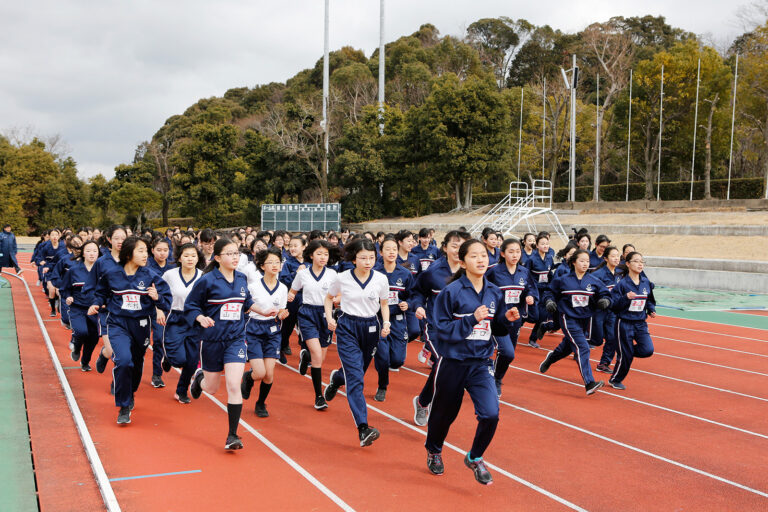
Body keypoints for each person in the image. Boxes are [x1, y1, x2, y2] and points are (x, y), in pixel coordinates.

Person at [424, 239, 520, 484]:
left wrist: (507, 319)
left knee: (490, 414)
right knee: (444, 415)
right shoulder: (451, 292)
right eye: (474, 256)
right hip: (454, 362)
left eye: (484, 256)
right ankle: (434, 450)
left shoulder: (494, 292)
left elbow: (495, 326)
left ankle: (475, 456)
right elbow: (441, 330)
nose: (481, 260)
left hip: (480, 362)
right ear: (462, 261)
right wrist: (471, 320)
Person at [86, 236, 172, 424]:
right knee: (123, 361)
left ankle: (130, 392)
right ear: (128, 253)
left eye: (146, 251)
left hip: (141, 325)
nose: (145, 255)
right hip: (117, 323)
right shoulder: (112, 274)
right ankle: (124, 406)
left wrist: (157, 298)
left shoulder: (150, 276)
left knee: (136, 362)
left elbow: (167, 301)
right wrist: (96, 304)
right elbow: (100, 293)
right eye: (140, 250)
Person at [186, 238, 262, 450]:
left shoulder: (241, 278)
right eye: (229, 254)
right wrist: (200, 318)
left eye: (236, 253)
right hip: (211, 340)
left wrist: (264, 311)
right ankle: (199, 379)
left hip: (235, 340)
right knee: (211, 388)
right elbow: (191, 305)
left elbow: (246, 303)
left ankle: (233, 435)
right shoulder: (207, 280)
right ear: (218, 258)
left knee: (233, 385)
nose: (234, 257)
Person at [322, 238, 390, 447]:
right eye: (363, 258)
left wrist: (386, 322)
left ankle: (337, 378)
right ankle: (363, 428)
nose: (368, 261)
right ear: (353, 259)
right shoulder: (342, 278)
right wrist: (329, 317)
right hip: (348, 328)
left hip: (371, 328)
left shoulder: (380, 279)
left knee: (357, 372)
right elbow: (328, 298)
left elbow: (384, 303)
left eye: (371, 257)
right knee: (357, 380)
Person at [411, 230, 471, 426]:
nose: (458, 250)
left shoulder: (472, 271)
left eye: (462, 246)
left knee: (448, 367)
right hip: (436, 327)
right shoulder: (433, 272)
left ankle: (422, 401)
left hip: (462, 329)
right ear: (444, 247)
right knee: (443, 361)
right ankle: (427, 404)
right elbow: (417, 292)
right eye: (454, 246)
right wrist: (418, 306)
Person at [538, 249, 612, 395]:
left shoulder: (594, 281)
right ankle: (589, 383)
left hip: (585, 319)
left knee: (568, 347)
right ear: (573, 262)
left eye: (587, 261)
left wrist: (605, 301)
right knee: (582, 347)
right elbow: (549, 292)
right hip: (568, 317)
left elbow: (605, 294)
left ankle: (551, 358)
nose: (585, 264)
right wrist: (549, 301)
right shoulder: (563, 280)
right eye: (582, 261)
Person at [289, 239, 338, 410]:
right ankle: (318, 396)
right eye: (319, 254)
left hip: (325, 315)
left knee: (320, 358)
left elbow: (339, 295)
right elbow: (293, 292)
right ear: (311, 255)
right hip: (307, 314)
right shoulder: (303, 274)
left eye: (326, 254)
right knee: (317, 353)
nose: (323, 257)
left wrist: (334, 301)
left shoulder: (333, 274)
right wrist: (286, 301)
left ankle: (306, 357)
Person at [240, 247, 289, 418]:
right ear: (262, 265)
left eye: (278, 262)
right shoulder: (252, 287)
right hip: (254, 330)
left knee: (269, 374)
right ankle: (249, 377)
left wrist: (283, 313)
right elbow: (245, 308)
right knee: (259, 373)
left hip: (273, 331)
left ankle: (260, 403)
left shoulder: (283, 288)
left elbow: (282, 309)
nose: (275, 265)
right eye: (271, 262)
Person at [487, 238, 538, 398]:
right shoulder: (494, 272)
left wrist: (530, 297)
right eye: (511, 251)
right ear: (502, 253)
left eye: (517, 251)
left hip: (515, 319)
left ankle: (495, 377)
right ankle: (492, 379)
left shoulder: (524, 272)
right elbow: (483, 289)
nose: (515, 255)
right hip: (496, 320)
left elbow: (531, 289)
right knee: (505, 351)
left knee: (508, 354)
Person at [159, 243, 205, 403]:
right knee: (178, 359)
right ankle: (168, 357)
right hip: (176, 318)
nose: (190, 259)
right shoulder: (169, 275)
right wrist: (159, 310)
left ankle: (181, 390)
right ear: (179, 258)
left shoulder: (203, 276)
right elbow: (160, 293)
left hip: (195, 321)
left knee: (192, 361)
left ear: (198, 257)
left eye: (193, 255)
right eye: (186, 255)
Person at [372, 236, 414, 401]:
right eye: (387, 249)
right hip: (378, 320)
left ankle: (388, 362)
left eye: (394, 249)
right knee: (383, 357)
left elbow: (413, 295)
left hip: (397, 320)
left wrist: (408, 304)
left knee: (396, 360)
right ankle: (382, 386)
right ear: (380, 252)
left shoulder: (405, 274)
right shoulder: (374, 273)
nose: (391, 252)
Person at [608, 252, 656, 390]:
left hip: (640, 323)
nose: (640, 264)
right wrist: (625, 298)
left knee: (648, 350)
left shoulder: (646, 282)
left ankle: (624, 352)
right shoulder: (622, 284)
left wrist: (651, 309)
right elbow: (613, 305)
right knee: (626, 355)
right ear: (628, 264)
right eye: (636, 261)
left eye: (642, 261)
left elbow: (650, 300)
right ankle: (615, 379)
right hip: (624, 323)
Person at [60, 240, 100, 371]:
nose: (92, 254)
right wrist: (68, 296)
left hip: (95, 309)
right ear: (83, 253)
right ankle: (76, 347)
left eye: (95, 251)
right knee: (81, 331)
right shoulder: (74, 270)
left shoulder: (103, 271)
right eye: (88, 251)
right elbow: (64, 289)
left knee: (93, 338)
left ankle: (85, 361)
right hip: (78, 308)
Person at [592, 247, 622, 372]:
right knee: (596, 339)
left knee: (613, 337)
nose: (616, 258)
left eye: (618, 256)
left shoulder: (620, 273)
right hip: (598, 311)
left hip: (613, 312)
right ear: (605, 258)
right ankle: (570, 345)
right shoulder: (597, 275)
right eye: (613, 256)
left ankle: (604, 363)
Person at [278, 236, 307, 362]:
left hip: (307, 298)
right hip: (292, 297)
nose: (292, 248)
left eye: (296, 245)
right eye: (291, 246)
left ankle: (305, 352)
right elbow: (283, 280)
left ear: (304, 247)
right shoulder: (288, 263)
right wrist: (296, 272)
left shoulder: (310, 262)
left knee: (306, 325)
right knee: (288, 324)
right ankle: (283, 344)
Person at [148, 238, 172, 388]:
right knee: (157, 339)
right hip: (152, 309)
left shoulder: (173, 267)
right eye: (159, 250)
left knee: (164, 340)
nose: (162, 253)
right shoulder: (148, 267)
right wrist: (158, 310)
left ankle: (166, 360)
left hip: (169, 308)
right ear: (152, 250)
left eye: (165, 250)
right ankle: (156, 374)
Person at [525, 233, 554, 348]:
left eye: (547, 244)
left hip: (545, 290)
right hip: (534, 290)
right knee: (534, 316)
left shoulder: (549, 258)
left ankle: (533, 338)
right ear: (537, 245)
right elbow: (526, 274)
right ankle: (519, 323)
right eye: (542, 244)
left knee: (542, 316)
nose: (545, 246)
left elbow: (550, 273)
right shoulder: (532, 259)